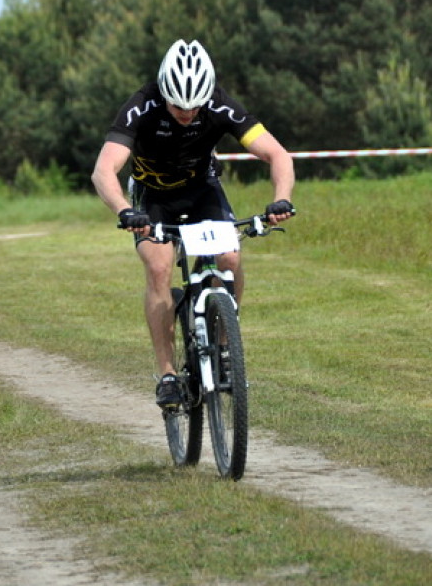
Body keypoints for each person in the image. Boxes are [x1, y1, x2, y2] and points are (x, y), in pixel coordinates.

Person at [91, 39, 296, 408]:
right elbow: (104, 170)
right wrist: (124, 210)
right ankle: (168, 374)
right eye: (177, 106)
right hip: (154, 197)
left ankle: (225, 347)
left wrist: (282, 198)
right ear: (163, 92)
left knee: (230, 257)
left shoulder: (220, 103)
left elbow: (277, 154)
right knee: (159, 267)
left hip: (202, 190)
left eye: (194, 107)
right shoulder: (141, 105)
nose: (186, 113)